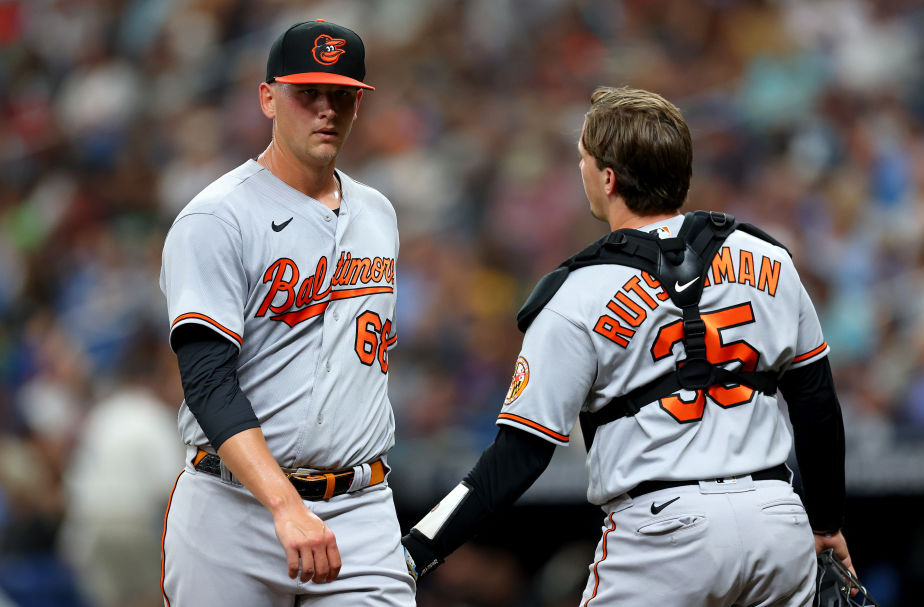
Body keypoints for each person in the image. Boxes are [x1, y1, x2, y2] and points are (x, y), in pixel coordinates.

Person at [401, 86, 854, 606]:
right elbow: (817, 404)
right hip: (779, 521)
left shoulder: (577, 293)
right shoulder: (769, 257)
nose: (581, 170)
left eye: (583, 160)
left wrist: (416, 551)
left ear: (608, 178)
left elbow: (517, 458)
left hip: (664, 533)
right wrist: (826, 523)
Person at [158, 19, 414, 606]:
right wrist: (283, 503)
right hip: (234, 511)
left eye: (342, 96)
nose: (326, 109)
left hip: (360, 506)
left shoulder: (378, 213)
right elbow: (207, 382)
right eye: (308, 94)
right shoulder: (217, 218)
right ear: (268, 98)